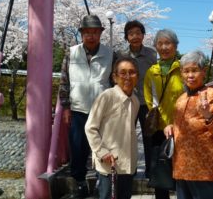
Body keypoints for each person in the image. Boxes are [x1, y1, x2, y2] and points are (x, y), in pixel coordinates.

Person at [59, 14, 113, 197]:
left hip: (102, 110)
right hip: (78, 108)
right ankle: (80, 182)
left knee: (101, 147)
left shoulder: (110, 53)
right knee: (78, 147)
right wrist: (65, 106)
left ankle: (101, 181)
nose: (91, 35)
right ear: (81, 33)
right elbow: (64, 81)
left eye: (95, 32)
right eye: (87, 32)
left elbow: (115, 82)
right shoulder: (71, 52)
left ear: (100, 33)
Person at [164, 50, 213, 199]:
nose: (190, 75)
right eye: (186, 71)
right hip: (181, 168)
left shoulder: (212, 95)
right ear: (181, 73)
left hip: (203, 170)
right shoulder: (181, 99)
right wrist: (171, 128)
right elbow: (184, 127)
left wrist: (208, 115)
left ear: (204, 72)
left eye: (194, 70)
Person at [85, 57, 140, 199]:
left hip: (128, 165)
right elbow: (90, 128)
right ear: (114, 77)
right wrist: (102, 152)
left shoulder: (135, 101)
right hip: (109, 164)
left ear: (137, 77)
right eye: (123, 73)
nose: (128, 77)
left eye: (132, 72)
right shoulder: (106, 97)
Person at [144, 29, 184, 199]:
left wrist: (178, 122)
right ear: (156, 47)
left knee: (182, 166)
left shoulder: (184, 68)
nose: (164, 47)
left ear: (175, 46)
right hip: (160, 128)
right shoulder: (152, 71)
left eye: (168, 43)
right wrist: (161, 120)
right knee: (160, 168)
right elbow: (148, 99)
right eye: (160, 44)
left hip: (183, 127)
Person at [116, 20, 157, 177]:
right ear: (126, 37)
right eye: (131, 34)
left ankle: (150, 170)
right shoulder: (120, 55)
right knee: (127, 135)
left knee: (149, 136)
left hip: (146, 102)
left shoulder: (152, 54)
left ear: (143, 35)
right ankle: (129, 169)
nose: (135, 36)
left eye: (138, 33)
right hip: (127, 101)